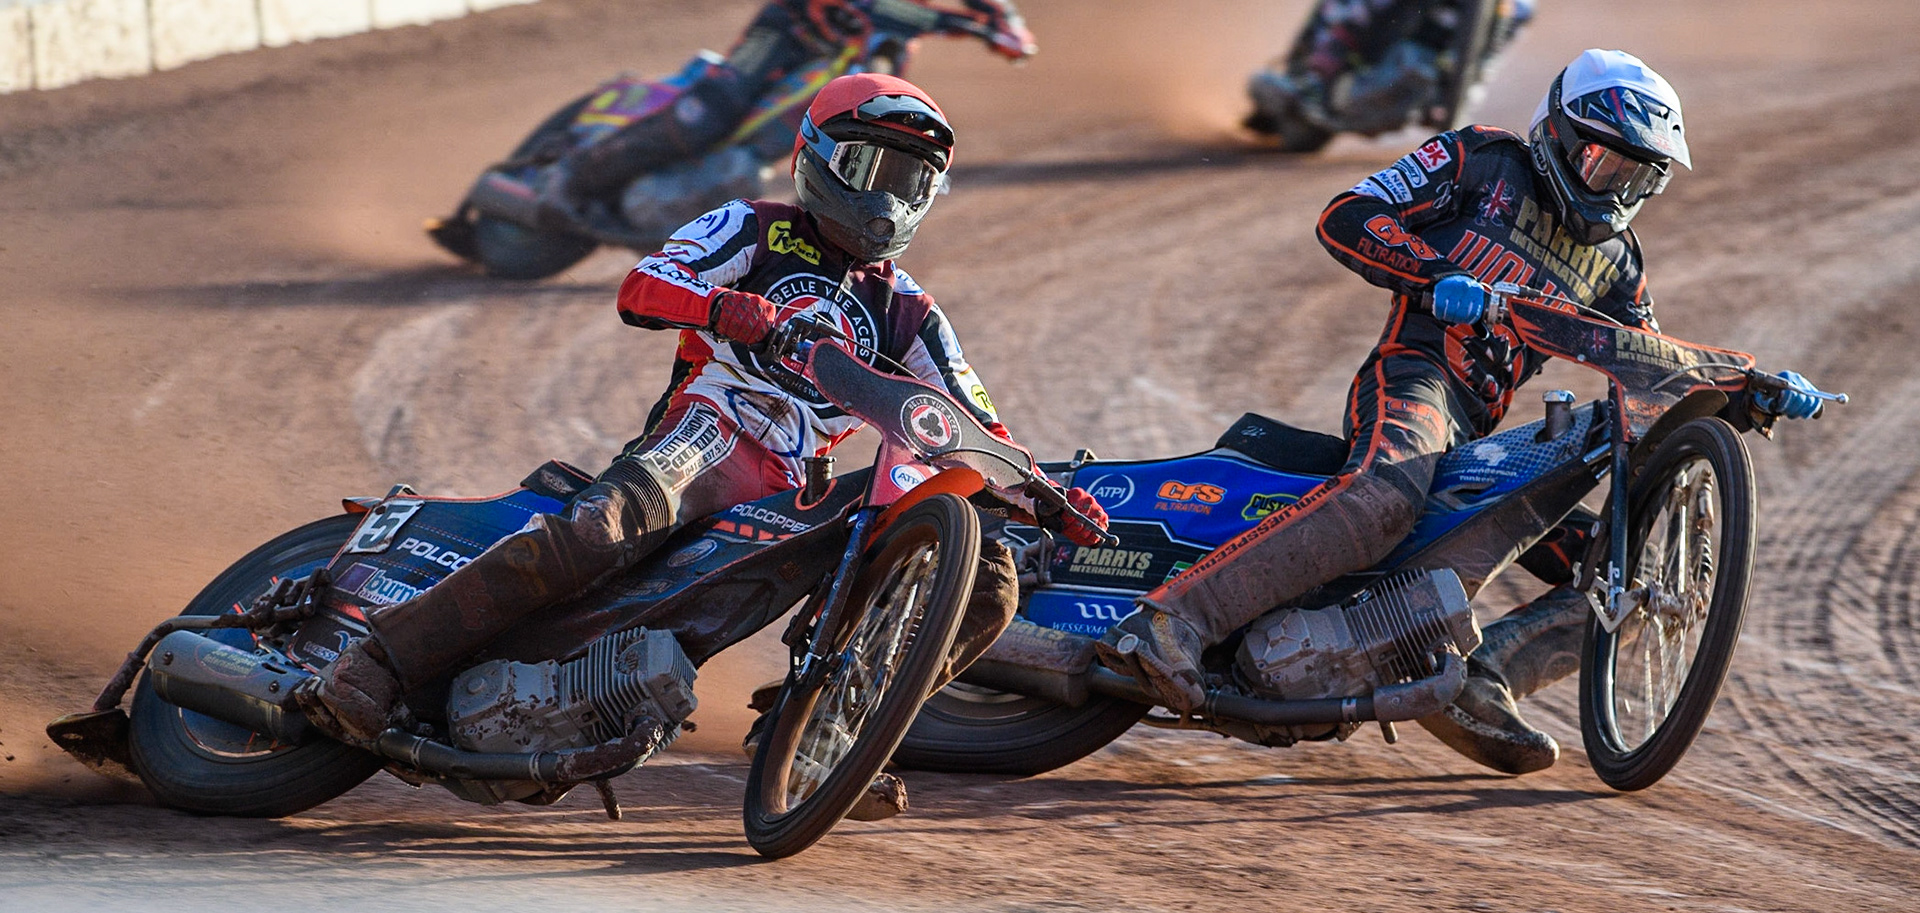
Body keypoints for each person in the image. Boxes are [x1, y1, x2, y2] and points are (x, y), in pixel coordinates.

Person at [305, 74, 1106, 744]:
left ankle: (826, 729)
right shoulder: (753, 226)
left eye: (912, 182)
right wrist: (729, 311)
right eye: (874, 168)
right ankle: (377, 661)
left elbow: (973, 417)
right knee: (599, 529)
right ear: (820, 158)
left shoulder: (912, 312)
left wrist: (1044, 490)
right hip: (708, 432)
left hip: (801, 486)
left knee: (990, 582)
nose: (890, 198)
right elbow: (642, 287)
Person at [1100, 50, 1824, 774]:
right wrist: (1433, 273)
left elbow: (1644, 362)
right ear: (1560, 138)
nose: (1620, 190)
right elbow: (1347, 214)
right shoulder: (1481, 161)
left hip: (1480, 440)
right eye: (1608, 165)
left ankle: (1484, 677)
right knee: (1384, 498)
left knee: (1622, 576)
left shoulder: (1620, 263)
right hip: (1414, 378)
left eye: (1641, 177)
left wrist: (1747, 386)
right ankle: (1171, 621)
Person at [543, 0, 1035, 219]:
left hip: (849, 57)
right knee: (709, 115)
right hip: (789, 31)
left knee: (850, 138)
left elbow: (991, 8)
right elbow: (878, 5)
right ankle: (572, 178)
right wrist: (966, 25)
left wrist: (1006, 24)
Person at [1245, 0, 1534, 144]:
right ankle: (1311, 75)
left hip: (1431, 77)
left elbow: (1488, 57)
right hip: (1379, 43)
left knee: (1516, 12)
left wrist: (1461, 101)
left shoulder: (1517, 7)